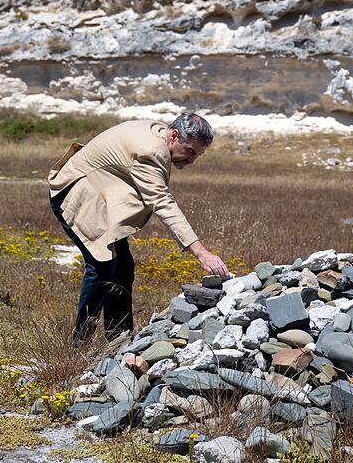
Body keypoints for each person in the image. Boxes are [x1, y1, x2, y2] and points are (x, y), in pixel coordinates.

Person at [48, 112, 229, 345]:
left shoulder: (159, 133)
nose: (192, 160)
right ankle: (80, 344)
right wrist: (201, 252)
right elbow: (162, 202)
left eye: (198, 155)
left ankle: (120, 341)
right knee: (102, 267)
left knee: (123, 267)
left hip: (96, 195)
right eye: (191, 151)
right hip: (75, 194)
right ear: (174, 136)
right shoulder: (152, 152)